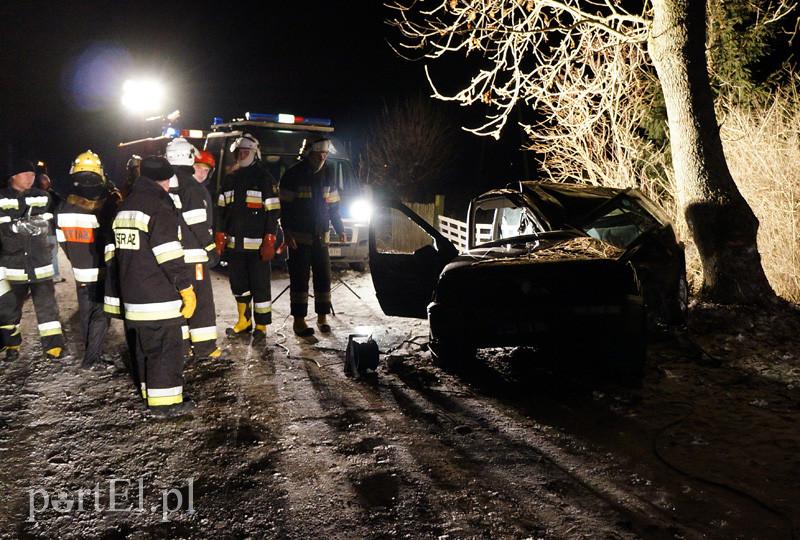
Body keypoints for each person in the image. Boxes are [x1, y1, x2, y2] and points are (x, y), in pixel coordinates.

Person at [106, 156, 196, 418]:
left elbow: (113, 254)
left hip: (133, 296)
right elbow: (168, 254)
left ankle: (150, 393)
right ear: (166, 179)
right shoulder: (157, 206)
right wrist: (186, 288)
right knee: (165, 349)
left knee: (144, 350)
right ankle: (165, 404)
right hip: (158, 295)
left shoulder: (126, 206)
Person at [215, 133, 280, 344]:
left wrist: (270, 240)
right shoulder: (230, 179)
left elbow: (273, 212)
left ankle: (261, 325)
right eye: (239, 152)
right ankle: (244, 322)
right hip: (235, 247)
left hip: (258, 248)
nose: (242, 155)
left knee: (260, 286)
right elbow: (221, 210)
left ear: (255, 153)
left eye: (246, 152)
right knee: (239, 285)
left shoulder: (264, 179)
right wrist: (219, 233)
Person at [0, 159, 68, 360]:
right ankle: (11, 344)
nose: (31, 178)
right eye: (25, 174)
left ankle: (53, 345)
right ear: (13, 176)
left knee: (47, 306)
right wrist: (14, 228)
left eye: (32, 175)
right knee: (8, 308)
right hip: (12, 265)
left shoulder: (43, 196)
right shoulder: (1, 198)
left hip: (40, 263)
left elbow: (52, 220)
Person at [279, 137, 346, 336]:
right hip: (299, 239)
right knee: (299, 280)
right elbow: (284, 208)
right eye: (319, 154)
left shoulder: (328, 174)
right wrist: (287, 232)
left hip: (321, 237)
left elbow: (334, 206)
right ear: (310, 153)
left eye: (325, 154)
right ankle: (299, 321)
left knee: (323, 279)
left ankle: (322, 317)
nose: (322, 158)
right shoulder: (293, 174)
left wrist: (340, 228)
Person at [55, 150, 116, 369]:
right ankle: (92, 359)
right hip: (100, 269)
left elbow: (62, 239)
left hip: (80, 270)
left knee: (86, 312)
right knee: (100, 314)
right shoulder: (104, 206)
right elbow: (111, 240)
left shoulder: (63, 206)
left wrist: (75, 258)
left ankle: (92, 353)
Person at [165, 138, 222, 360]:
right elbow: (198, 222)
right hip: (194, 257)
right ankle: (205, 348)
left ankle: (181, 346)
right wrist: (211, 248)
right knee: (201, 303)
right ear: (190, 158)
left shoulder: (165, 184)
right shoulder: (192, 188)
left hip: (170, 256)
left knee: (178, 301)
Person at [34, 160, 64, 282]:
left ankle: (53, 275)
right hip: (47, 230)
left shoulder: (41, 194)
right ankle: (51, 275)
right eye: (45, 181)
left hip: (47, 229)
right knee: (50, 253)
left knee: (51, 253)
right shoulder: (49, 195)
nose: (47, 183)